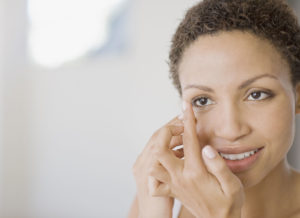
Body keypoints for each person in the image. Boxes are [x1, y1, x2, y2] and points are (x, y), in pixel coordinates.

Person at [128, 0, 300, 217]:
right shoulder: (159, 202)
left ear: (298, 97)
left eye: (256, 94)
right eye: (202, 100)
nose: (230, 130)